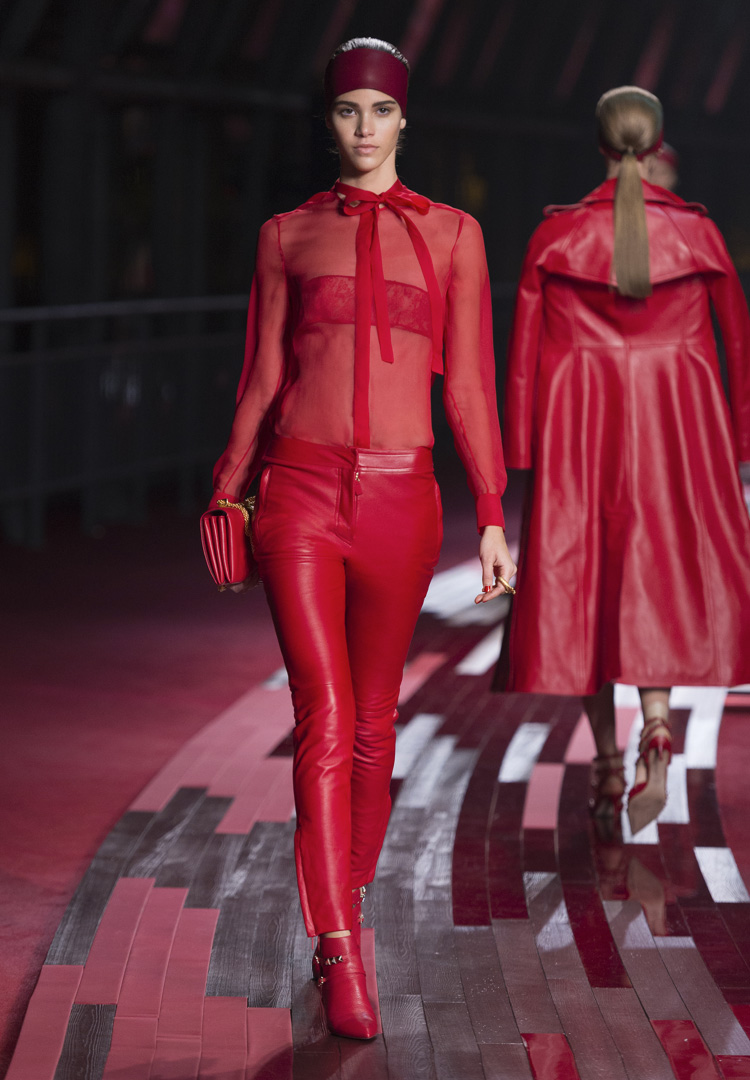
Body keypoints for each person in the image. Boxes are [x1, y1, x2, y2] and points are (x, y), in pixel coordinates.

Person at [209, 37, 515, 1039]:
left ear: (404, 119)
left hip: (402, 501)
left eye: (381, 110)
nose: (365, 127)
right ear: (331, 119)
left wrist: (493, 514)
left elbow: (470, 389)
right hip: (298, 493)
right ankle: (340, 950)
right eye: (348, 110)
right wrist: (227, 490)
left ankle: (340, 898)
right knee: (327, 714)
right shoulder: (286, 235)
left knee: (377, 728)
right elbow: (262, 377)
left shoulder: (457, 235)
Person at [500, 86, 750, 837]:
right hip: (676, 422)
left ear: (601, 146)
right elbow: (738, 345)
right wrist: (737, 446)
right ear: (657, 141)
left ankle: (607, 760)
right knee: (656, 571)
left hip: (580, 424)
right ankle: (658, 726)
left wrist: (518, 452)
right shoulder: (699, 235)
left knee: (585, 585)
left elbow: (522, 355)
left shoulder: (555, 236)